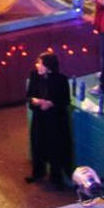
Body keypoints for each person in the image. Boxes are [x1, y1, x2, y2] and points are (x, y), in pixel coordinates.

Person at [25, 50, 71, 188]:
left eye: (40, 64)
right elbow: (29, 95)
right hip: (40, 117)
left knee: (55, 146)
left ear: (49, 67)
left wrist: (51, 103)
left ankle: (56, 177)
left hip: (55, 119)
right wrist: (37, 102)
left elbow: (65, 100)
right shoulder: (34, 76)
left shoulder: (61, 80)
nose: (37, 66)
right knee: (38, 143)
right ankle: (38, 172)